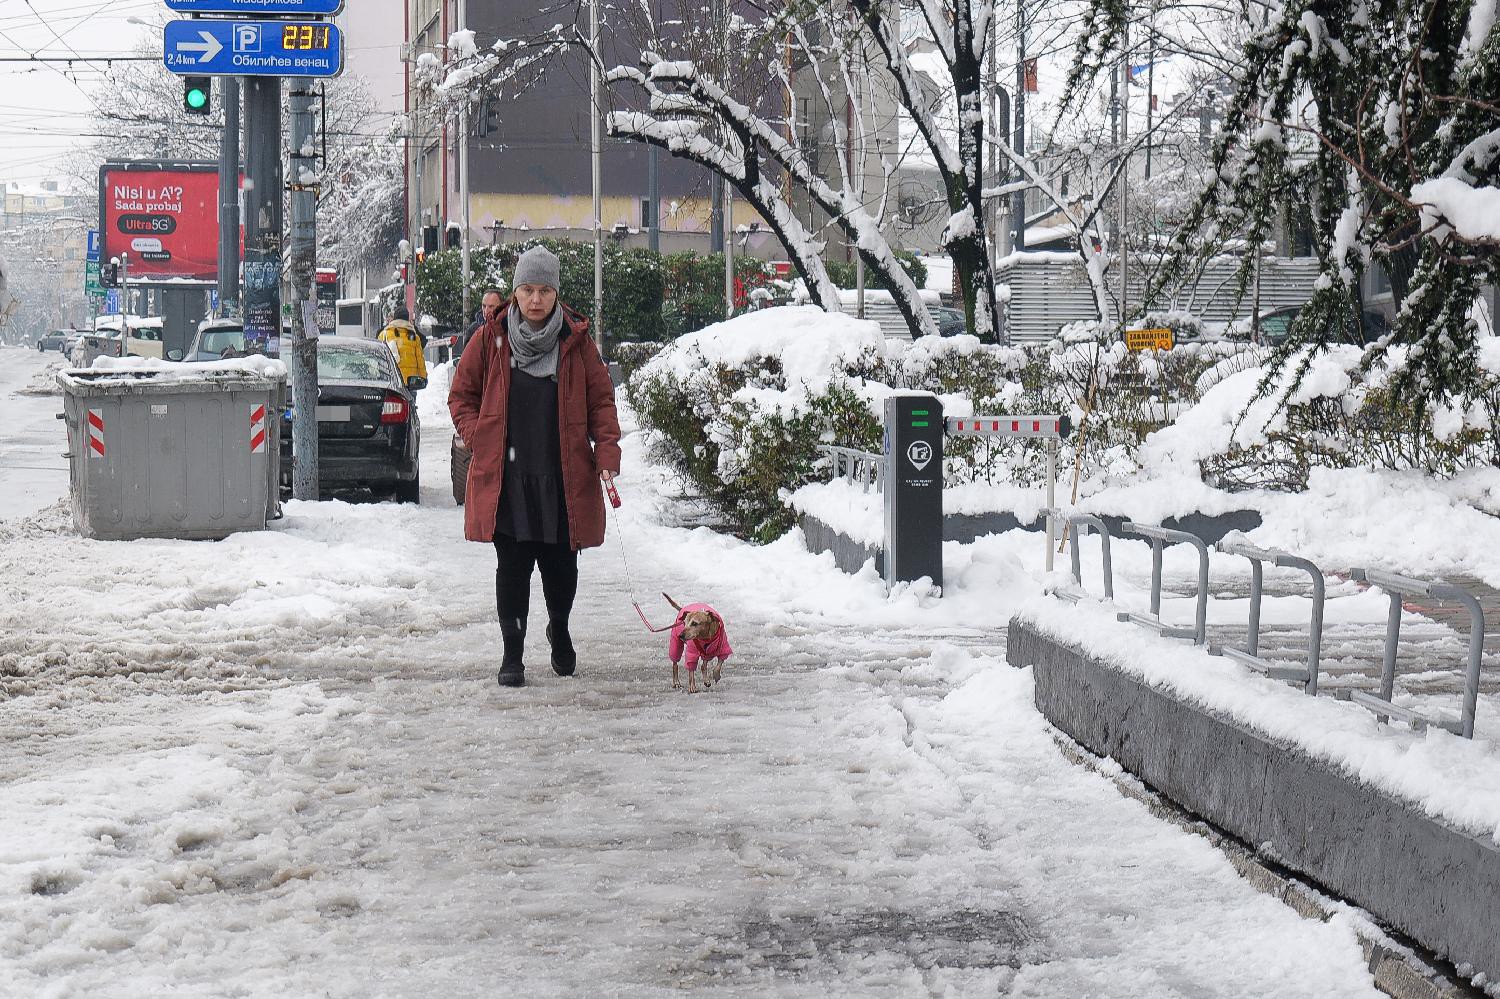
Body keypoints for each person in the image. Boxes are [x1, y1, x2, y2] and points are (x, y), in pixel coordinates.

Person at [448, 246, 622, 688]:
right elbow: (461, 396)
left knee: (561, 569)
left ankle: (559, 630)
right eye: (528, 289)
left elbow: (602, 402)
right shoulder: (490, 338)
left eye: (545, 290)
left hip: (563, 476)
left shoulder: (577, 342)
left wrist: (607, 454)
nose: (536, 299)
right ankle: (513, 654)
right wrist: (478, 436)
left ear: (556, 293)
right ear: (516, 292)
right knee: (512, 569)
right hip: (508, 481)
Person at [378, 304, 428, 388]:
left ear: (394, 318)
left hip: (391, 380)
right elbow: (420, 360)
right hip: (411, 382)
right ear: (407, 318)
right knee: (410, 400)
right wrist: (423, 377)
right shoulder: (415, 337)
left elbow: (378, 358)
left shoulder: (384, 334)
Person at [457, 287, 504, 361]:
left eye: (491, 306)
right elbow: (466, 361)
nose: (486, 311)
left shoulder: (509, 328)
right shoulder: (473, 330)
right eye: (484, 306)